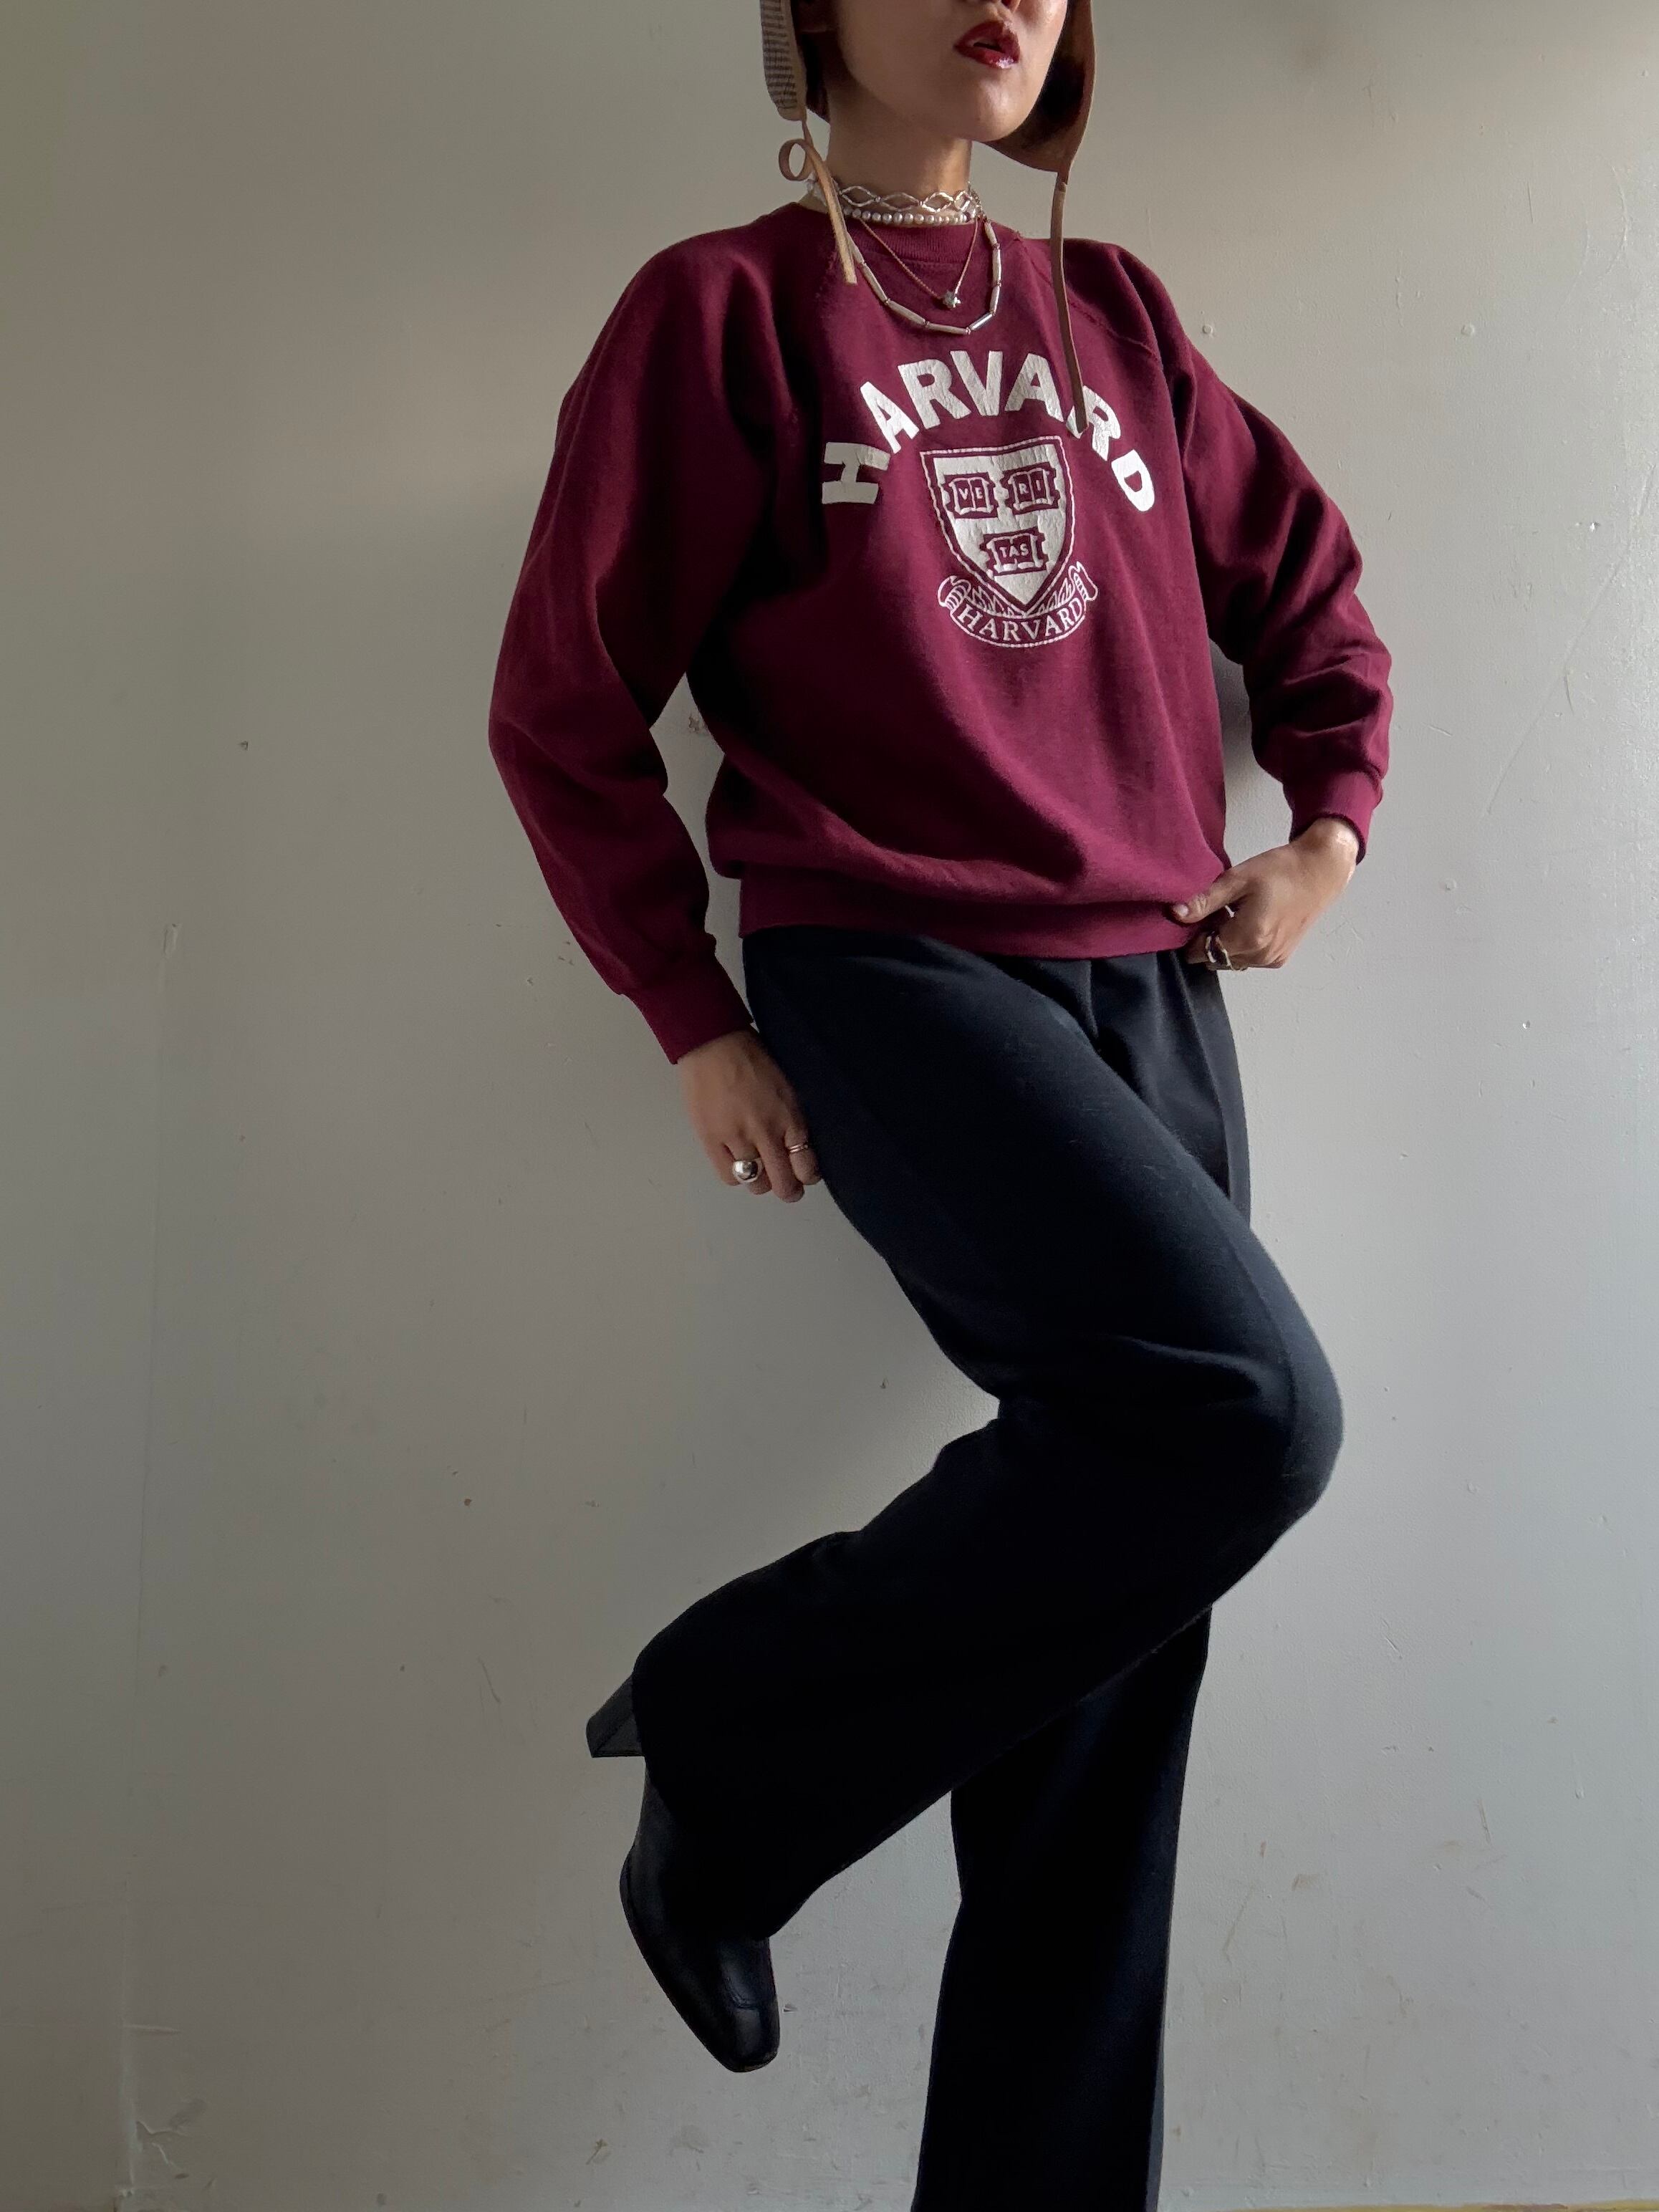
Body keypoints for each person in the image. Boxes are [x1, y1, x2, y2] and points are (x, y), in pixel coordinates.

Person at [486, 0, 1393, 2203]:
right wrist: (686, 1007)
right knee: (1242, 1416)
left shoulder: (1119, 315)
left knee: (1113, 1633)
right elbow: (564, 703)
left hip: (1152, 977)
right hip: (888, 963)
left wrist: (1325, 833)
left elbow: (1310, 600)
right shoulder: (718, 313)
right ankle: (734, 1726)